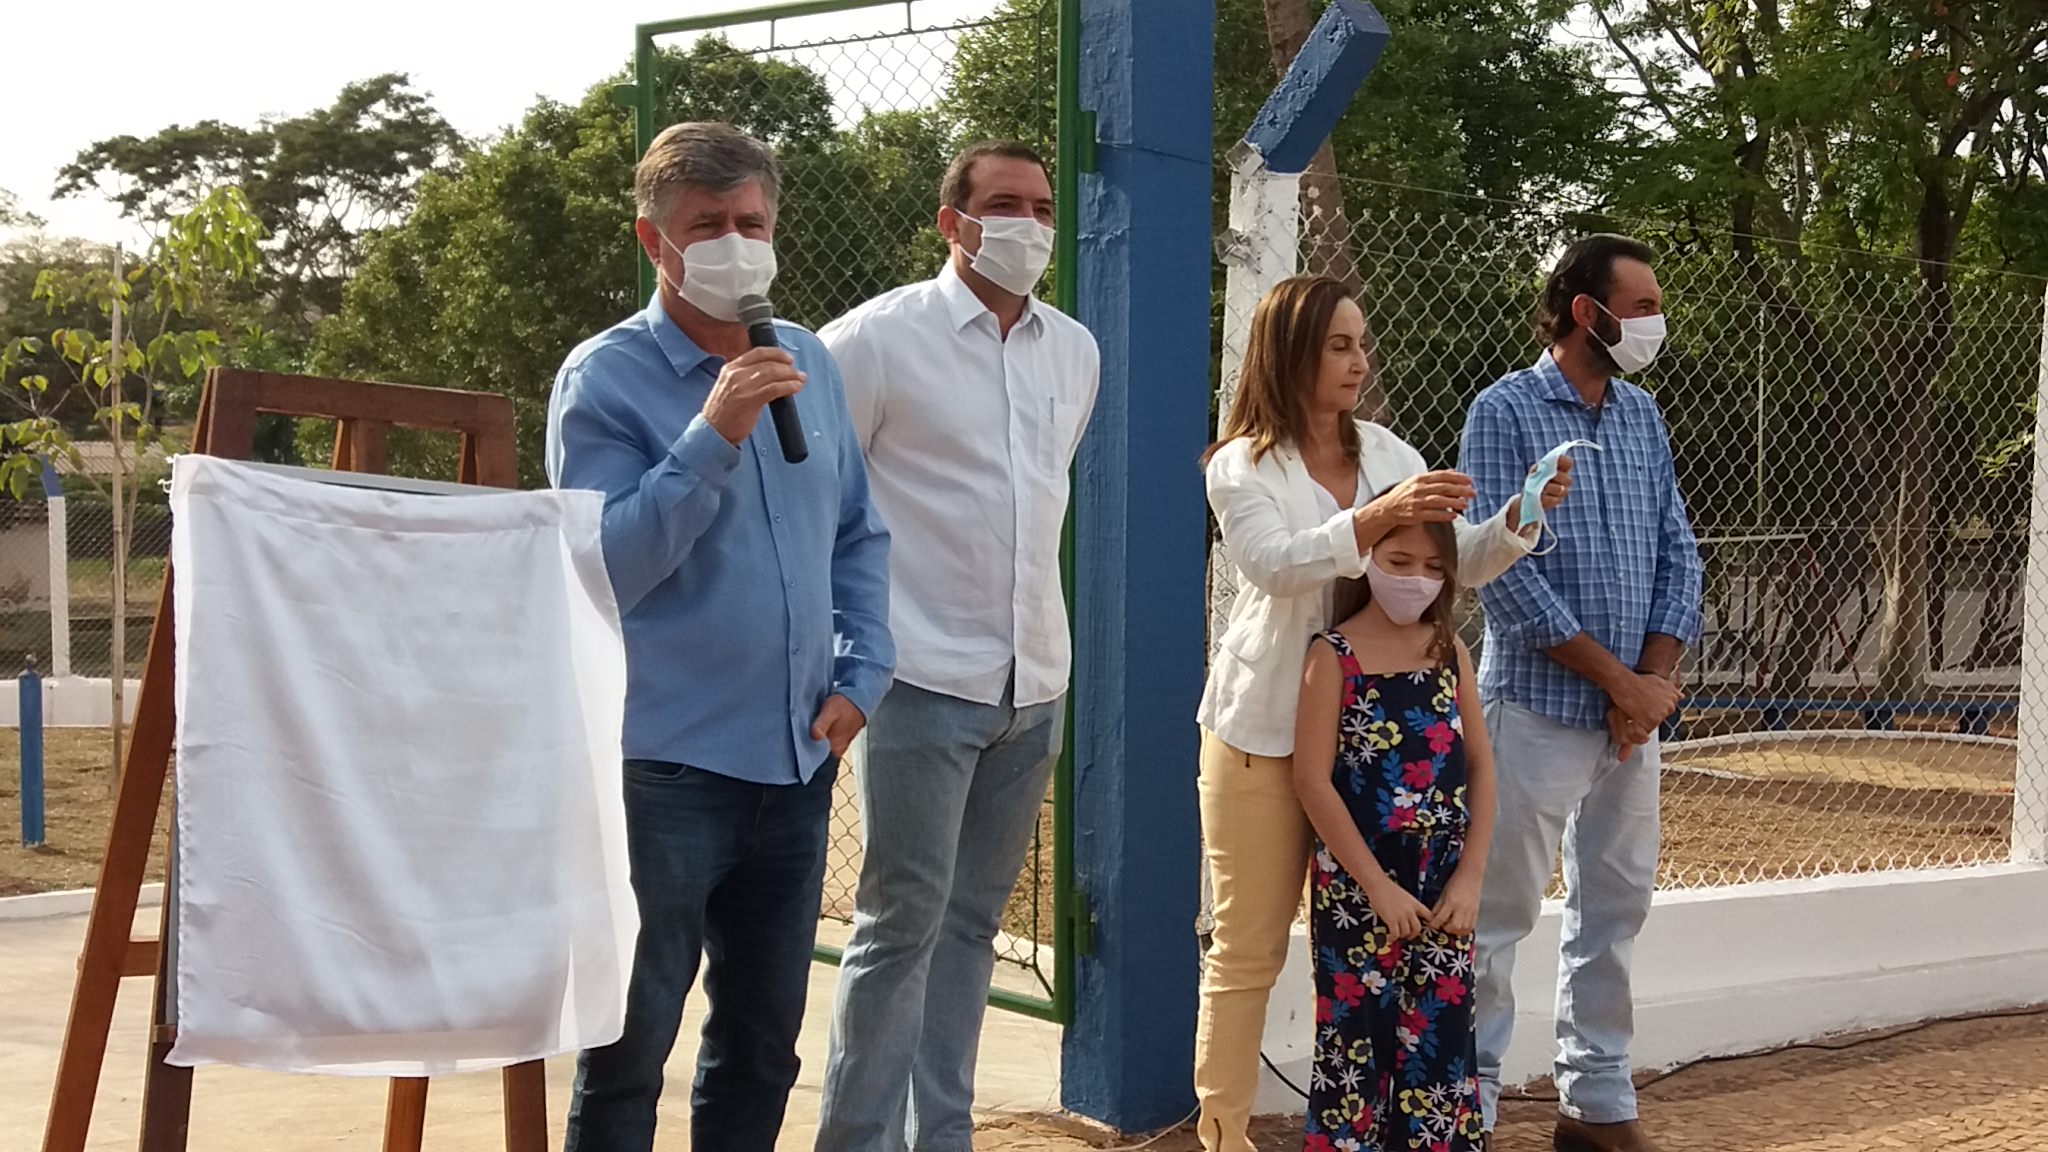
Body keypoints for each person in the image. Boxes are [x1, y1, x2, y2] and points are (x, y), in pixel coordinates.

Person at [545, 121, 894, 1152]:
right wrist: (711, 435)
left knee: (761, 1047)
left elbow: (857, 534)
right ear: (654, 240)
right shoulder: (603, 379)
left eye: (752, 222)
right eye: (708, 225)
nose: (736, 243)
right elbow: (605, 565)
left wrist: (863, 671)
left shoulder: (808, 360)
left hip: (795, 760)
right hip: (665, 767)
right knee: (629, 1049)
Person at [1194, 275, 1571, 1152]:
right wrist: (1373, 520)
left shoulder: (1391, 454)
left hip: (1381, 756)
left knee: (1383, 953)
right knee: (1249, 948)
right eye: (1339, 346)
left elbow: (1445, 560)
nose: (1360, 362)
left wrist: (1516, 519)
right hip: (1262, 737)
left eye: (1362, 344)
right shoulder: (1241, 464)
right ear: (1290, 352)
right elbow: (1274, 564)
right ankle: (1223, 1132)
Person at [813, 140, 1099, 1152]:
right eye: (1004, 205)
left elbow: (1041, 497)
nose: (1030, 225)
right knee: (898, 928)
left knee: (972, 929)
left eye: (1042, 207)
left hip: (1034, 685)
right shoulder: (873, 342)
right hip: (918, 677)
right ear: (953, 223)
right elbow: (817, 499)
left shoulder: (1073, 351)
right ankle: (857, 1142)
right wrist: (849, 651)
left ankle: (940, 1135)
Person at [1459, 234, 1703, 1152]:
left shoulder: (1643, 416)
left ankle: (1597, 1106)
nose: (1654, 323)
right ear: (1584, 313)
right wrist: (1620, 684)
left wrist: (1652, 686)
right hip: (1533, 714)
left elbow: (1679, 553)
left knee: (1614, 910)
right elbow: (1505, 577)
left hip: (1630, 726)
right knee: (1495, 919)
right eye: (1640, 308)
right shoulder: (1504, 411)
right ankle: (1467, 1112)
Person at [1292, 518, 1495, 1152]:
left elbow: (1482, 767)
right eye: (1399, 562)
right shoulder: (1332, 656)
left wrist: (1470, 877)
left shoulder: (1448, 652)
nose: (1416, 580)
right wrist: (1376, 888)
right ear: (1366, 560)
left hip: (1443, 887)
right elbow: (1313, 782)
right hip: (1358, 890)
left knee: (1440, 1042)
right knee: (1357, 1045)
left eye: (1434, 568)